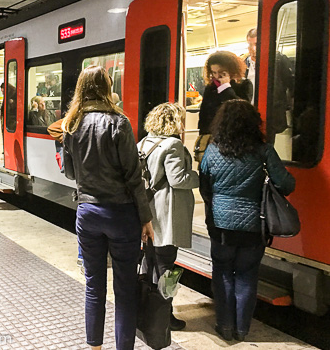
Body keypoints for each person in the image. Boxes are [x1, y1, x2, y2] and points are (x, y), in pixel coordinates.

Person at [62, 65, 154, 350]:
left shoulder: (71, 124)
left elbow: (68, 172)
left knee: (94, 285)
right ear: (106, 87)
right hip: (121, 213)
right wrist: (146, 218)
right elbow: (133, 177)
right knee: (124, 289)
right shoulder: (119, 122)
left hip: (87, 213)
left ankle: (94, 347)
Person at [199, 100, 295, 342]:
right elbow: (286, 184)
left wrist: (217, 206)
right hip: (254, 224)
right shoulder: (264, 151)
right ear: (254, 123)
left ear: (222, 123)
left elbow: (205, 186)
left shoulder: (212, 150)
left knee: (222, 273)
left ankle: (225, 326)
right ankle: (242, 329)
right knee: (247, 275)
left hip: (221, 225)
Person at [137, 103, 199, 331]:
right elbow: (178, 179)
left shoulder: (143, 143)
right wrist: (200, 178)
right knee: (166, 268)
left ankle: (149, 307)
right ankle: (164, 315)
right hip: (166, 215)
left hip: (149, 213)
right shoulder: (172, 144)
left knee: (151, 261)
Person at [198, 51, 251, 136]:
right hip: (213, 135)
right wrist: (202, 136)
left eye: (221, 72)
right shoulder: (211, 88)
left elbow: (242, 110)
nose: (217, 76)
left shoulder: (244, 85)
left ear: (231, 70)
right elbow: (204, 115)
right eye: (214, 73)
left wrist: (226, 88)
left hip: (234, 134)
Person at [243, 28, 257, 103]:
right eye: (250, 45)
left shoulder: (277, 62)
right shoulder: (242, 66)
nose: (253, 49)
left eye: (256, 44)